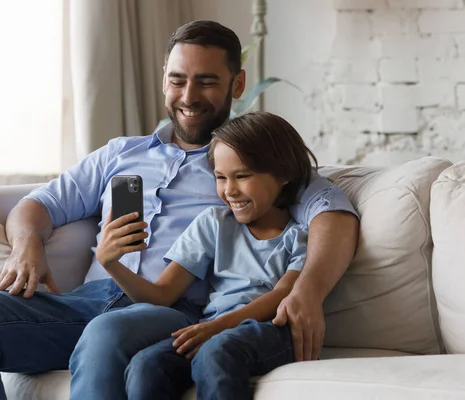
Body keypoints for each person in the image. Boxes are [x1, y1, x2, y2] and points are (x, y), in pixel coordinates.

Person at [0, 20, 358, 400]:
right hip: (90, 301)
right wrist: (27, 244)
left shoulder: (245, 163)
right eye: (177, 80)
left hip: (171, 309)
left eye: (207, 81)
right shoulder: (120, 153)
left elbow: (331, 212)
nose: (188, 96)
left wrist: (308, 290)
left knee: (107, 332)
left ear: (238, 84)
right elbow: (38, 205)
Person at [100, 111, 318, 400]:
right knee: (147, 365)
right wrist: (111, 263)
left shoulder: (301, 237)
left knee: (218, 351)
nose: (230, 191)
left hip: (273, 331)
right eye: (220, 177)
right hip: (212, 328)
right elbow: (162, 295)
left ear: (284, 174)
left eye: (242, 176)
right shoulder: (214, 223)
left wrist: (217, 327)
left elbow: (282, 296)